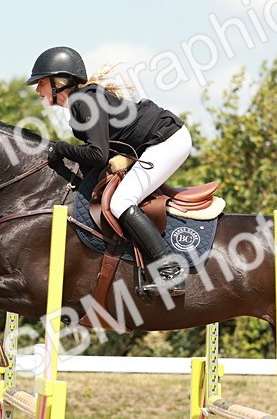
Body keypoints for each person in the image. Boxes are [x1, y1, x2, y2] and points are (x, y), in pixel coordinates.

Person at [25, 46, 191, 294]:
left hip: (168, 140)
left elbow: (97, 154)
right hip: (156, 142)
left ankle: (171, 272)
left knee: (121, 202)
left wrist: (60, 148)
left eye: (41, 83)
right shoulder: (80, 102)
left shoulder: (84, 102)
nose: (38, 90)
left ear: (58, 82)